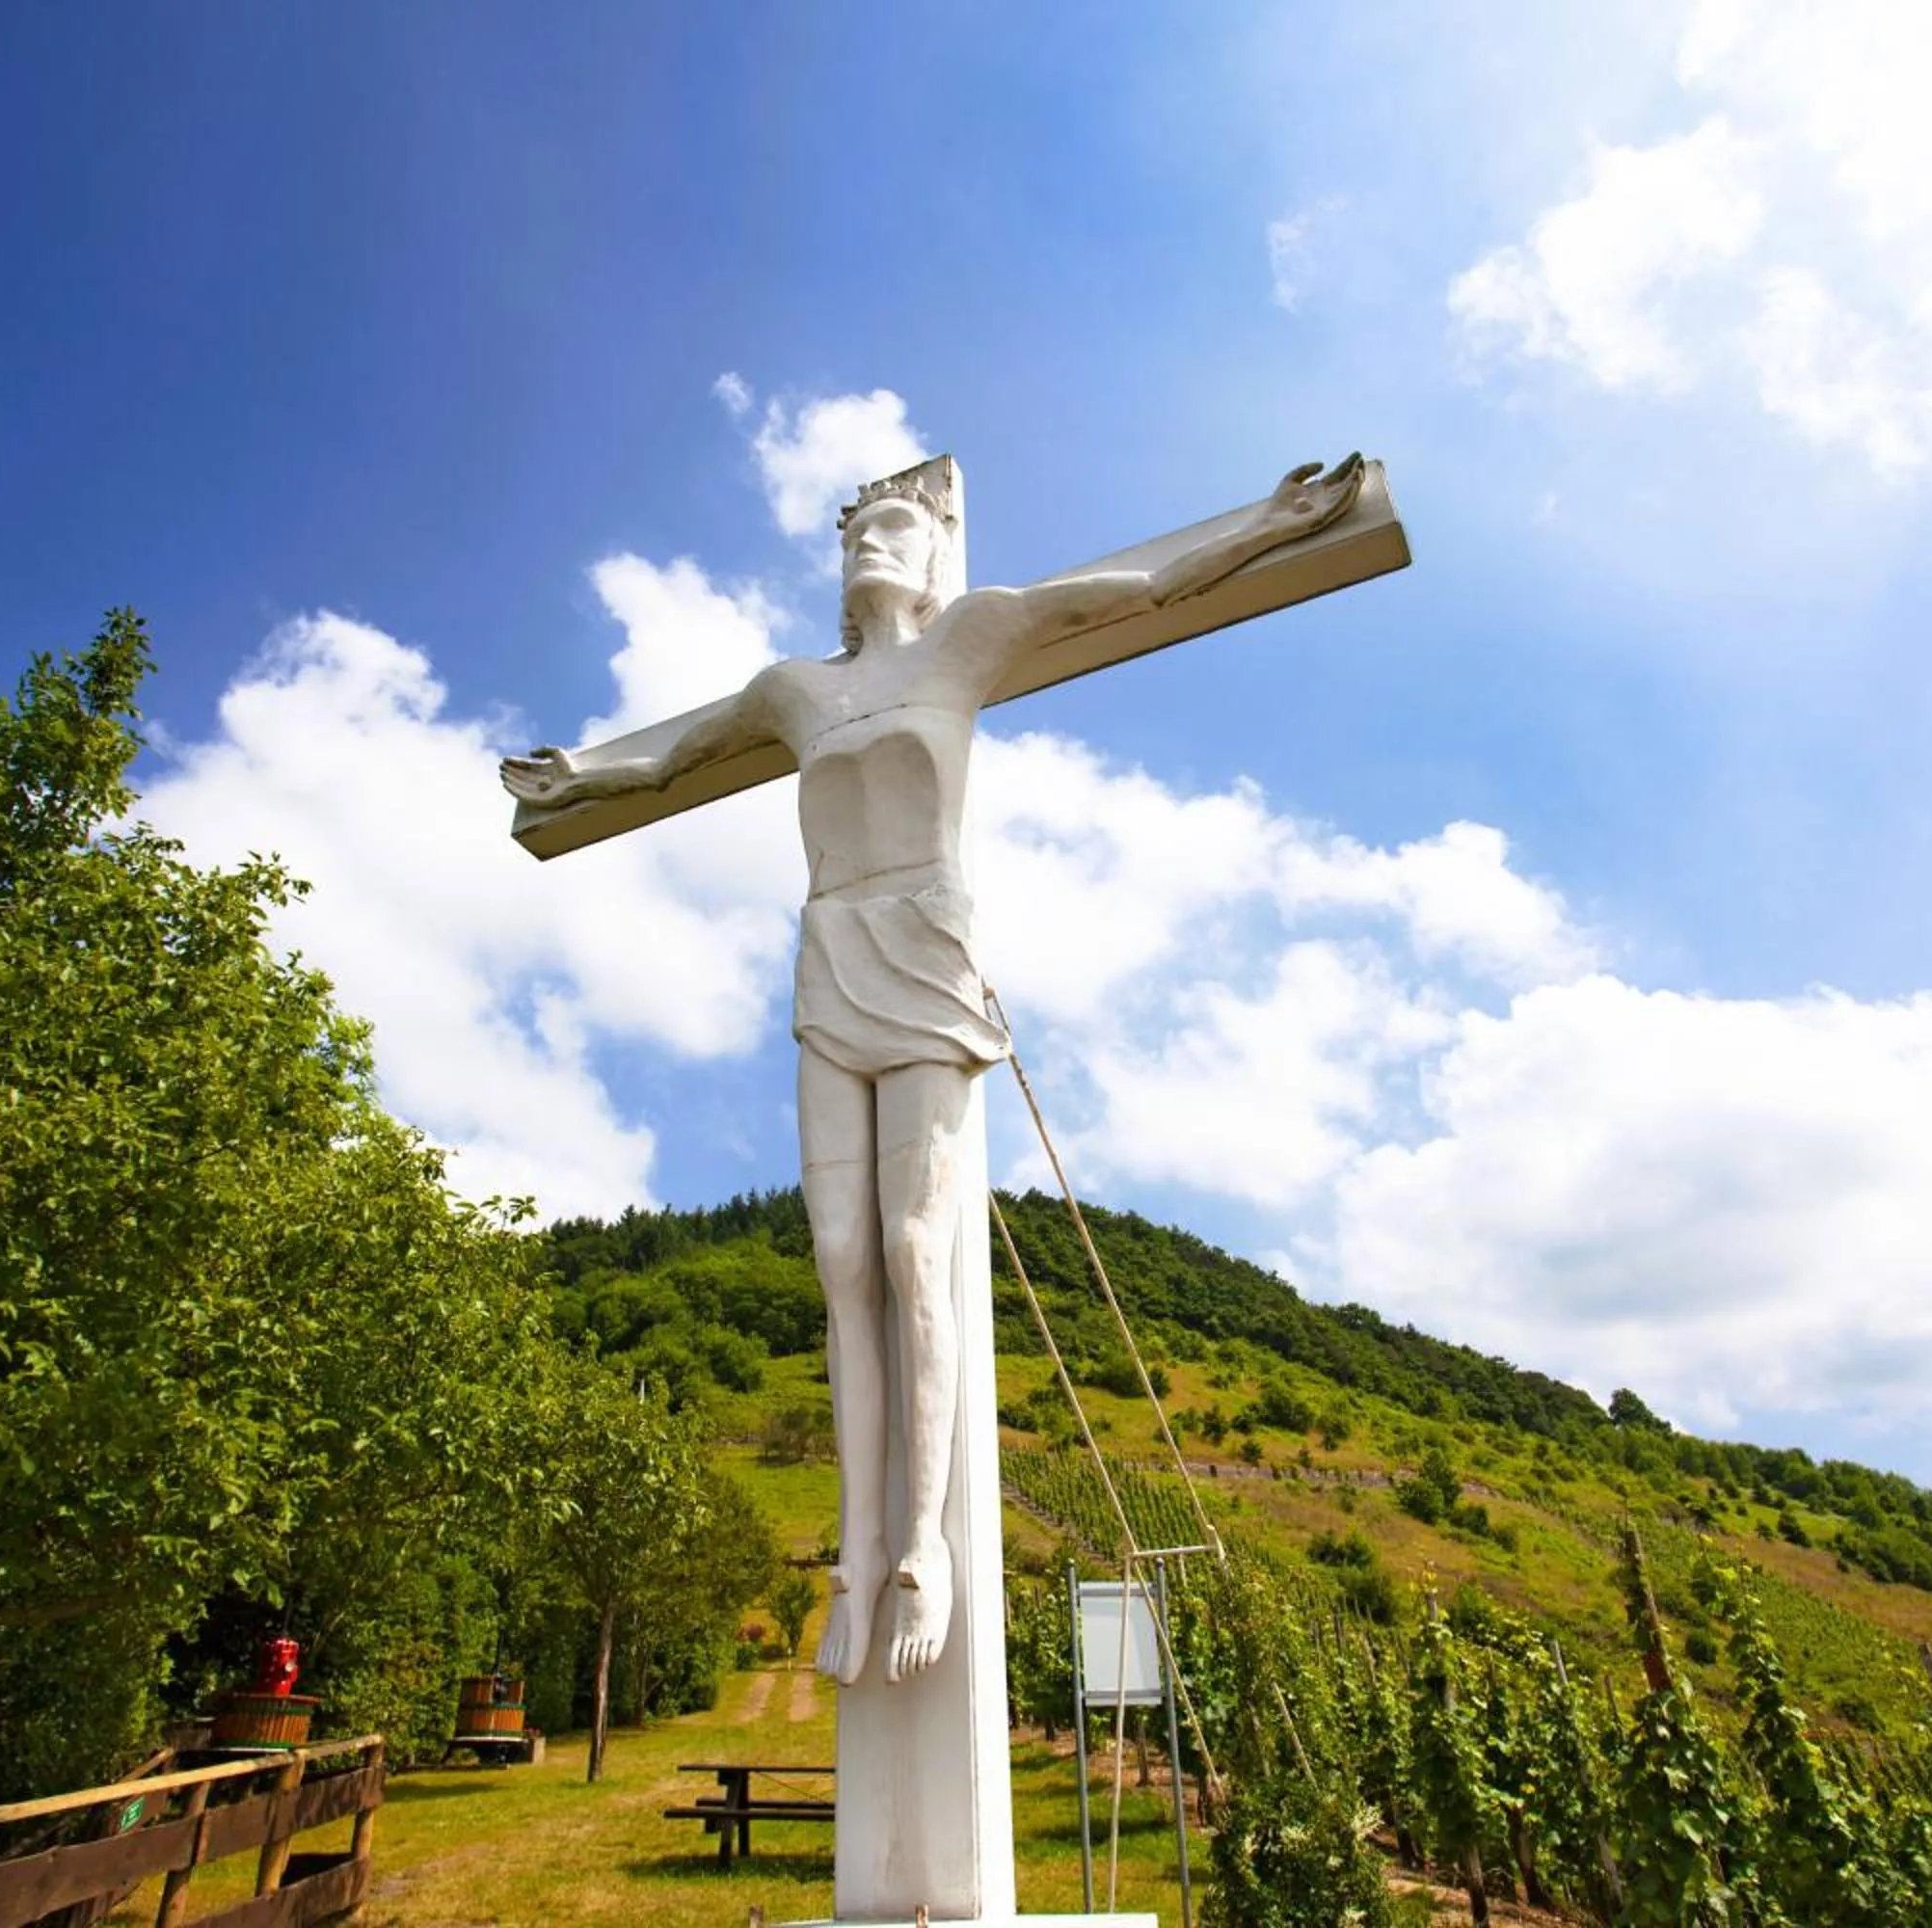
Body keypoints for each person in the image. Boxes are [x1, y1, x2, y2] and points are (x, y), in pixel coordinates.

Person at [502, 452, 1365, 1682]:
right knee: (839, 1256)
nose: (874, 542)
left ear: (932, 554)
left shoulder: (972, 636)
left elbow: (1142, 585)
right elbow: (676, 752)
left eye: (898, 526)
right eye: (859, 529)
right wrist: (574, 776)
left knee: (916, 1248)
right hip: (827, 954)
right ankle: (850, 1557)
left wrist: (1274, 524)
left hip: (926, 951)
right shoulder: (794, 691)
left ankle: (922, 1547)